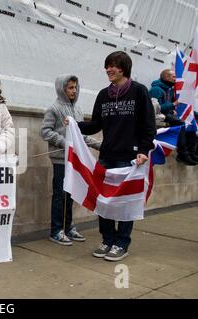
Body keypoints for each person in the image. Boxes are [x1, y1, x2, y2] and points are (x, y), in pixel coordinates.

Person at [67, 51, 156, 261]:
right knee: (104, 201)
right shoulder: (103, 95)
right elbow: (96, 124)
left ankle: (121, 243)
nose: (108, 70)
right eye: (107, 66)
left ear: (123, 68)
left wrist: (143, 150)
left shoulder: (139, 91)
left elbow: (148, 126)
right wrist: (75, 124)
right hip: (107, 157)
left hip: (130, 158)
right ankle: (107, 240)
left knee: (125, 203)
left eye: (112, 66)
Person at [41, 74, 101, 246]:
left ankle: (68, 227)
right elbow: (45, 131)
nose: (74, 91)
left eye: (75, 87)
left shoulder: (78, 110)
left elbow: (80, 136)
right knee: (60, 194)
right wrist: (65, 143)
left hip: (74, 159)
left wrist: (98, 145)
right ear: (62, 88)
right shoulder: (54, 108)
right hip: (60, 159)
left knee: (71, 193)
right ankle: (56, 230)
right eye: (70, 88)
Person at [149, 69, 198, 165]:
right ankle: (183, 154)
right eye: (174, 77)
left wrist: (172, 108)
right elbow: (155, 109)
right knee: (181, 123)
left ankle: (192, 152)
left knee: (192, 121)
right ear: (166, 77)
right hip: (158, 116)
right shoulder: (156, 90)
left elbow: (169, 106)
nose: (176, 79)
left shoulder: (169, 89)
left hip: (168, 114)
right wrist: (174, 104)